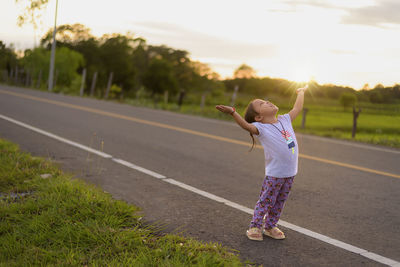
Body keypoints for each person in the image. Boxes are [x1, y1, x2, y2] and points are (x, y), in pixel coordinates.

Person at [215, 85, 308, 241]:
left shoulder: (285, 119)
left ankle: (270, 226)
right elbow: (246, 126)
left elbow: (297, 107)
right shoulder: (261, 127)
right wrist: (233, 113)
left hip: (290, 172)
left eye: (265, 100)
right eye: (262, 103)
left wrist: (301, 92)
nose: (267, 102)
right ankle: (255, 226)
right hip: (275, 173)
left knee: (280, 201)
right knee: (266, 200)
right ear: (258, 117)